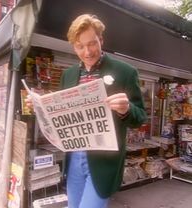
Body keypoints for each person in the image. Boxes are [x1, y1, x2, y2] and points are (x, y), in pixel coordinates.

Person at [60, 14, 147, 208]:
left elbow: (140, 117)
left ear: (101, 40)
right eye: (80, 46)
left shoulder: (125, 72)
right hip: (74, 156)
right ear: (74, 46)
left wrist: (126, 109)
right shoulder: (68, 75)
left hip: (104, 161)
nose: (87, 52)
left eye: (92, 43)